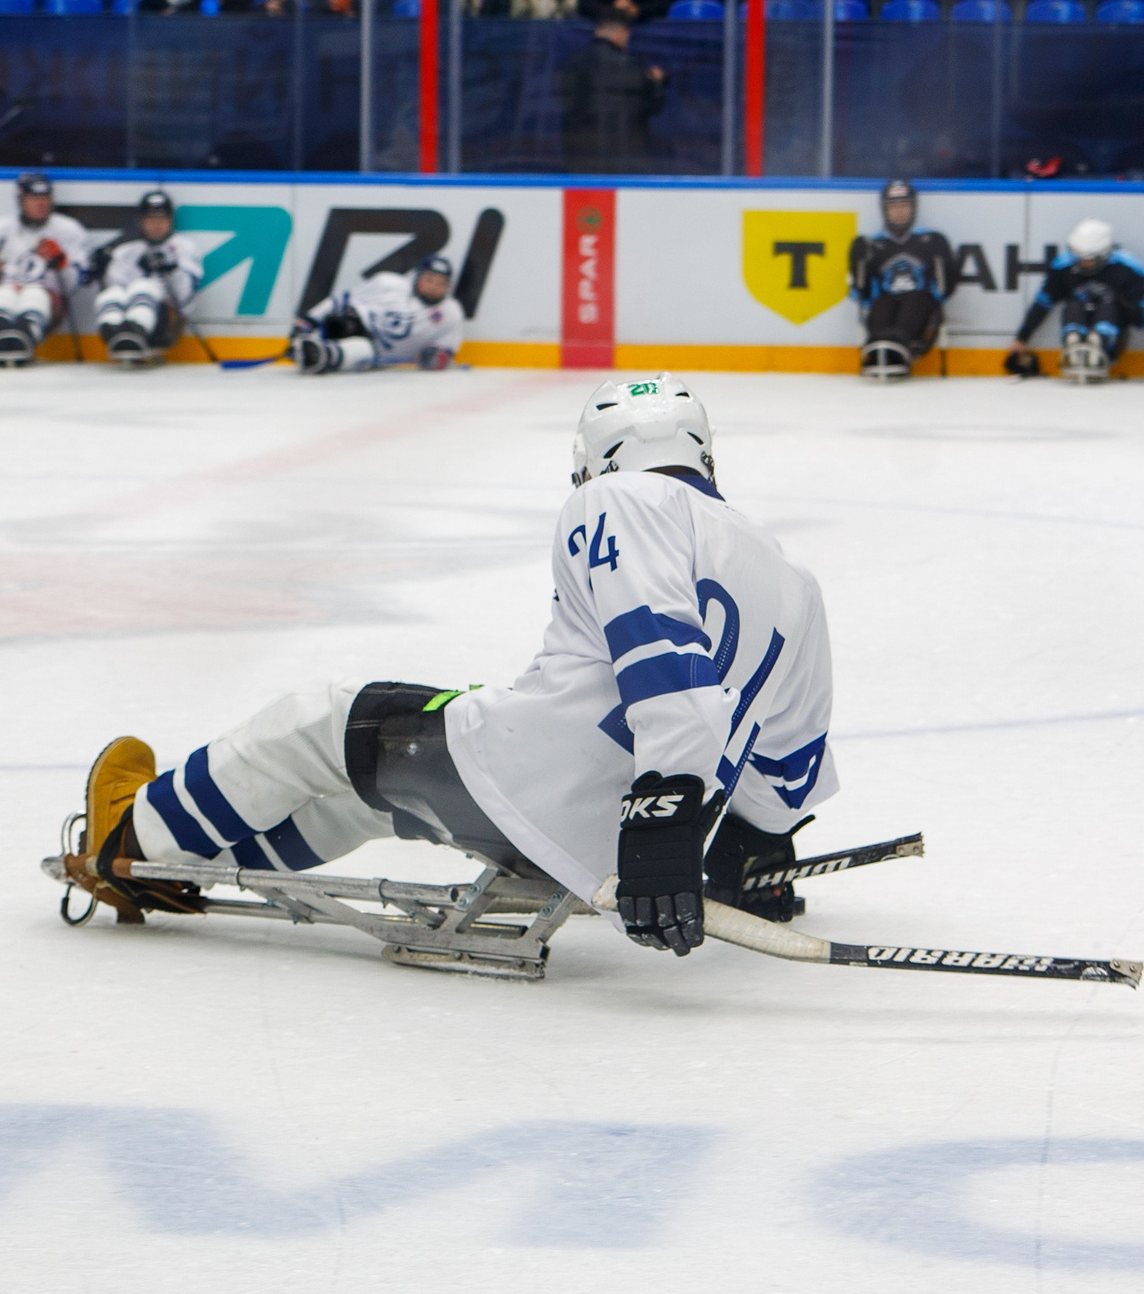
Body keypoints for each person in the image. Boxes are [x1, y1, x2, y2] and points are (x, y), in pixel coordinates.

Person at [55, 373, 840, 961]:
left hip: (565, 796)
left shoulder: (619, 500)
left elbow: (659, 649)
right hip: (609, 849)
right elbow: (791, 756)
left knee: (327, 722)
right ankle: (196, 862)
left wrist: (666, 812)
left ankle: (136, 836)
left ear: (596, 458)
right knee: (374, 797)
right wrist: (751, 849)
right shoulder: (794, 583)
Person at [1005, 220, 1144, 383]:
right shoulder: (1063, 265)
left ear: (1103, 255)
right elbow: (1042, 304)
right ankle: (1073, 341)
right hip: (1077, 315)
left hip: (1115, 331)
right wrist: (1021, 338)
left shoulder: (1128, 268)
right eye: (1077, 256)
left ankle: (1099, 344)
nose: (1080, 262)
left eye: (1087, 259)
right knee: (1074, 304)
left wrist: (1118, 300)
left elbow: (1142, 320)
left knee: (1107, 307)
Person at [0, 172, 89, 369]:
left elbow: (74, 284)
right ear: (20, 200)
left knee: (34, 295)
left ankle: (23, 339)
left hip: (49, 298)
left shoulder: (69, 230)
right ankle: (0, 336)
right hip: (6, 287)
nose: (41, 203)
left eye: (45, 198)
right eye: (34, 198)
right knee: (2, 294)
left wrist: (60, 262)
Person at [847, 178, 958, 379]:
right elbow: (862, 294)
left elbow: (945, 290)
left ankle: (898, 343)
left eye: (904, 205)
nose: (899, 211)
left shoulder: (931, 240)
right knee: (883, 303)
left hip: (920, 304)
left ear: (913, 208)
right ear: (885, 210)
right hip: (886, 300)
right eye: (894, 206)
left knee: (914, 300)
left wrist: (945, 268)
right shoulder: (873, 244)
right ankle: (880, 343)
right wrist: (859, 265)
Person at [287, 252, 465, 372]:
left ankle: (321, 355)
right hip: (351, 323)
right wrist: (308, 321)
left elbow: (446, 351)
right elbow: (340, 300)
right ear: (418, 276)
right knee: (342, 324)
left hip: (374, 351)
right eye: (429, 279)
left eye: (441, 282)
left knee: (362, 349)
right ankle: (306, 344)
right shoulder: (389, 283)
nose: (434, 286)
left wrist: (436, 358)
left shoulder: (451, 313)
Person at [89, 190, 203, 366]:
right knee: (110, 295)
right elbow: (116, 286)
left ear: (170, 221)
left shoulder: (183, 248)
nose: (156, 225)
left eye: (161, 220)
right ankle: (118, 336)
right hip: (129, 312)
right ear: (141, 221)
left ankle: (133, 334)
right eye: (151, 220)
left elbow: (186, 297)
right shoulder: (126, 250)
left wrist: (171, 270)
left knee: (144, 287)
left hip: (166, 323)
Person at [563, 7, 669, 171]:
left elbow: (566, 103)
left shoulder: (574, 64)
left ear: (597, 31)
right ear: (623, 33)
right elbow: (653, 105)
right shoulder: (632, 67)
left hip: (582, 158)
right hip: (625, 160)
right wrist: (657, 83)